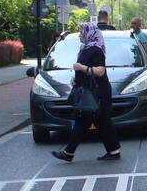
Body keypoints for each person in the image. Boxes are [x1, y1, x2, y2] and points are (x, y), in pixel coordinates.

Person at [51, 22, 121, 162]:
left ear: (89, 33)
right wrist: (76, 78)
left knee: (83, 120)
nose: (79, 35)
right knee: (101, 121)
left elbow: (100, 71)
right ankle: (113, 151)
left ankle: (69, 152)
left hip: (97, 92)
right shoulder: (85, 48)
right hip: (89, 90)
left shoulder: (96, 50)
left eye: (81, 32)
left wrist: (81, 68)